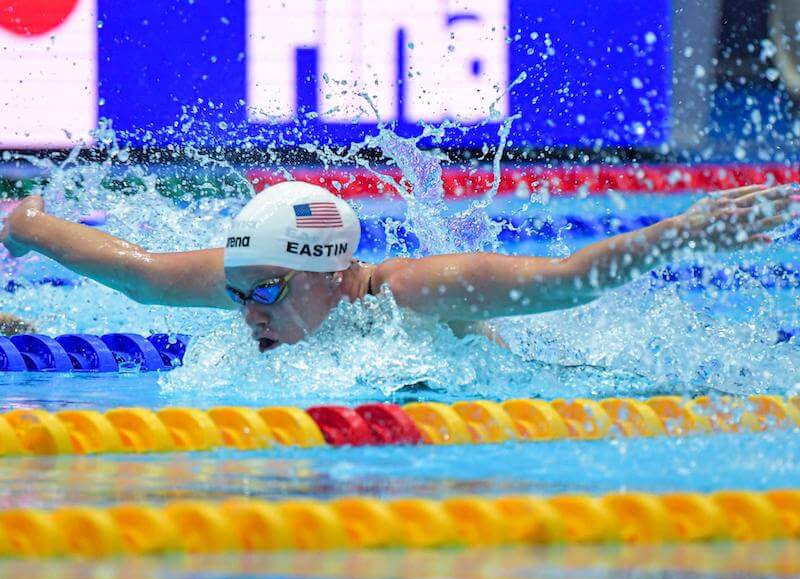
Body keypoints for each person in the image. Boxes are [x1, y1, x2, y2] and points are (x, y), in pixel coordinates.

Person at [0, 181, 796, 352]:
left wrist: (679, 234)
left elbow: (563, 278)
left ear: (332, 274)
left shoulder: (413, 294)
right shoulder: (260, 280)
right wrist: (28, 226)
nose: (247, 312)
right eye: (239, 293)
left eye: (267, 292)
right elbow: (139, 272)